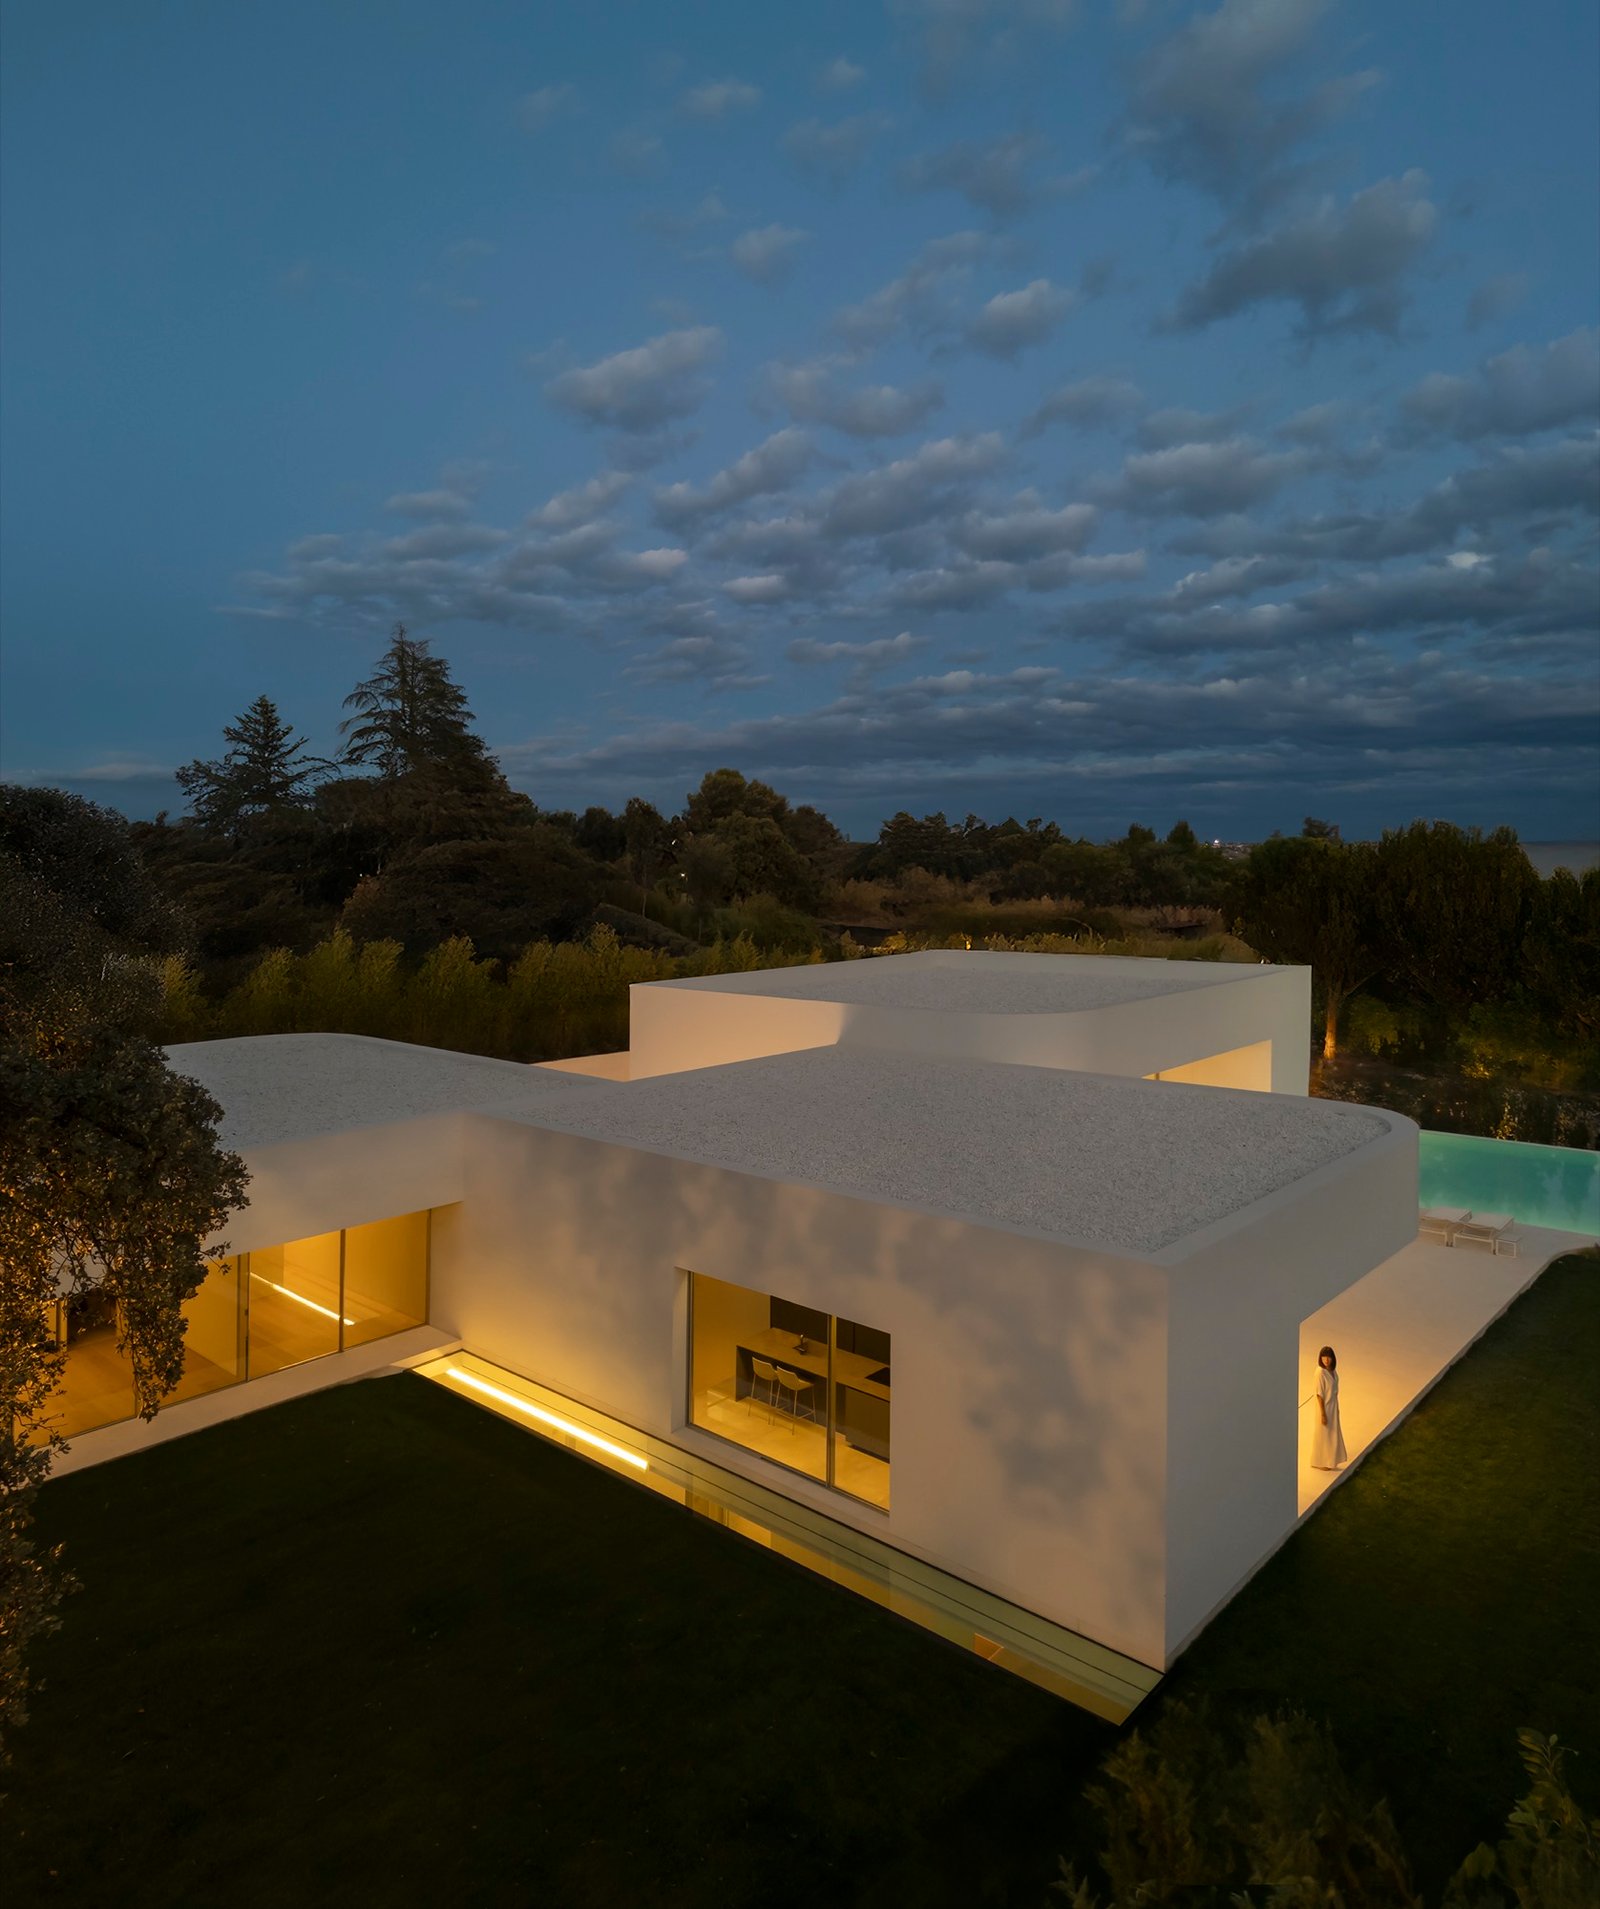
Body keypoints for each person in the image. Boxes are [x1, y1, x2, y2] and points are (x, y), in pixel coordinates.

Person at [1312, 1345, 1349, 1471]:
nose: (1326, 1360)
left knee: (1332, 1433)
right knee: (1324, 1433)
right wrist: (1323, 1413)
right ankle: (1320, 1460)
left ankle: (1331, 1459)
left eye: (1328, 1357)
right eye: (1324, 1357)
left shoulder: (1332, 1371)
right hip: (1325, 1407)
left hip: (1333, 1406)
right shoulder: (1320, 1373)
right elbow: (1319, 1394)